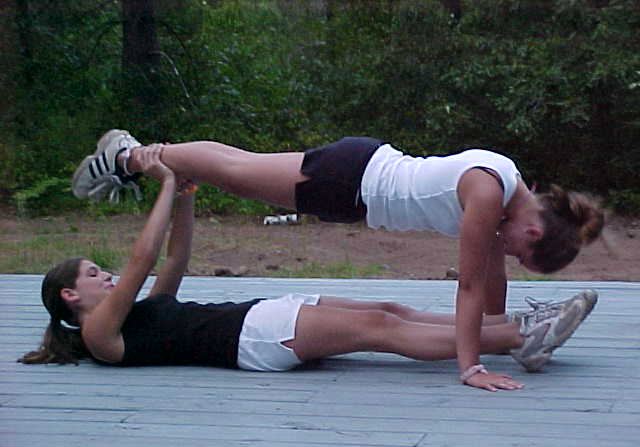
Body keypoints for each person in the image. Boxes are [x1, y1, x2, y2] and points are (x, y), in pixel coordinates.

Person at [67, 131, 603, 391]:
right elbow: (470, 285)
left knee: (235, 166)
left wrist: (495, 328)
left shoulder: (504, 180)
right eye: (520, 250)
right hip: (351, 184)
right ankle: (129, 157)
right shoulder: (488, 196)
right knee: (235, 170)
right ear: (534, 229)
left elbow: (491, 277)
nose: (509, 250)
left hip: (359, 172)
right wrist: (472, 366)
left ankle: (134, 156)